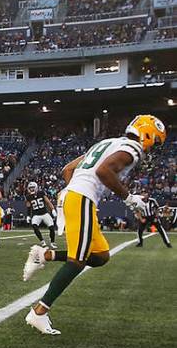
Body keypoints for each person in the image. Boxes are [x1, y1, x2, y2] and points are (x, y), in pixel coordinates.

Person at [22, 115, 167, 335]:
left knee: (100, 256)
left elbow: (67, 170)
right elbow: (103, 171)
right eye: (155, 141)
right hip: (81, 199)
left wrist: (75, 191)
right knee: (77, 262)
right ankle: (39, 312)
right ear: (147, 135)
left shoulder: (107, 142)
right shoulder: (132, 149)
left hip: (76, 197)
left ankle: (44, 255)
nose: (152, 147)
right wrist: (130, 199)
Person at [25, 181, 57, 248]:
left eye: (33, 187)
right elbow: (28, 206)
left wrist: (53, 209)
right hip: (36, 215)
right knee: (34, 225)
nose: (31, 189)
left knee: (51, 227)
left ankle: (52, 242)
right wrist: (28, 215)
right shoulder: (28, 197)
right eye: (30, 188)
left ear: (36, 187)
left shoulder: (41, 193)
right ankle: (42, 241)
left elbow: (48, 202)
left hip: (44, 213)